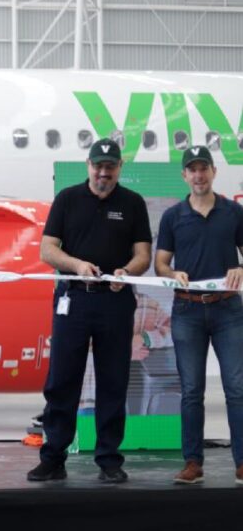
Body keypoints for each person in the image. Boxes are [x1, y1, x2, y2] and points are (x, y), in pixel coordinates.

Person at [28, 138, 151, 484]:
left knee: (113, 381)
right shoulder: (67, 199)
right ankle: (53, 458)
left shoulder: (133, 203)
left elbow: (143, 254)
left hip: (115, 301)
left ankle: (109, 459)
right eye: (98, 166)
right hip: (74, 300)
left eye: (110, 167)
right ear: (88, 165)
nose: (103, 173)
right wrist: (77, 265)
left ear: (119, 168)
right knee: (62, 380)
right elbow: (48, 249)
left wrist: (127, 271)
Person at [155, 145, 243, 486]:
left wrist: (240, 268)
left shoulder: (234, 212)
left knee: (237, 388)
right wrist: (171, 272)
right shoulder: (172, 216)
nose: (199, 175)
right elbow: (161, 263)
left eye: (203, 168)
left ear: (213, 172)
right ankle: (193, 462)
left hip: (228, 310)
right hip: (187, 309)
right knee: (191, 390)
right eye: (192, 169)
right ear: (184, 175)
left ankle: (241, 462)